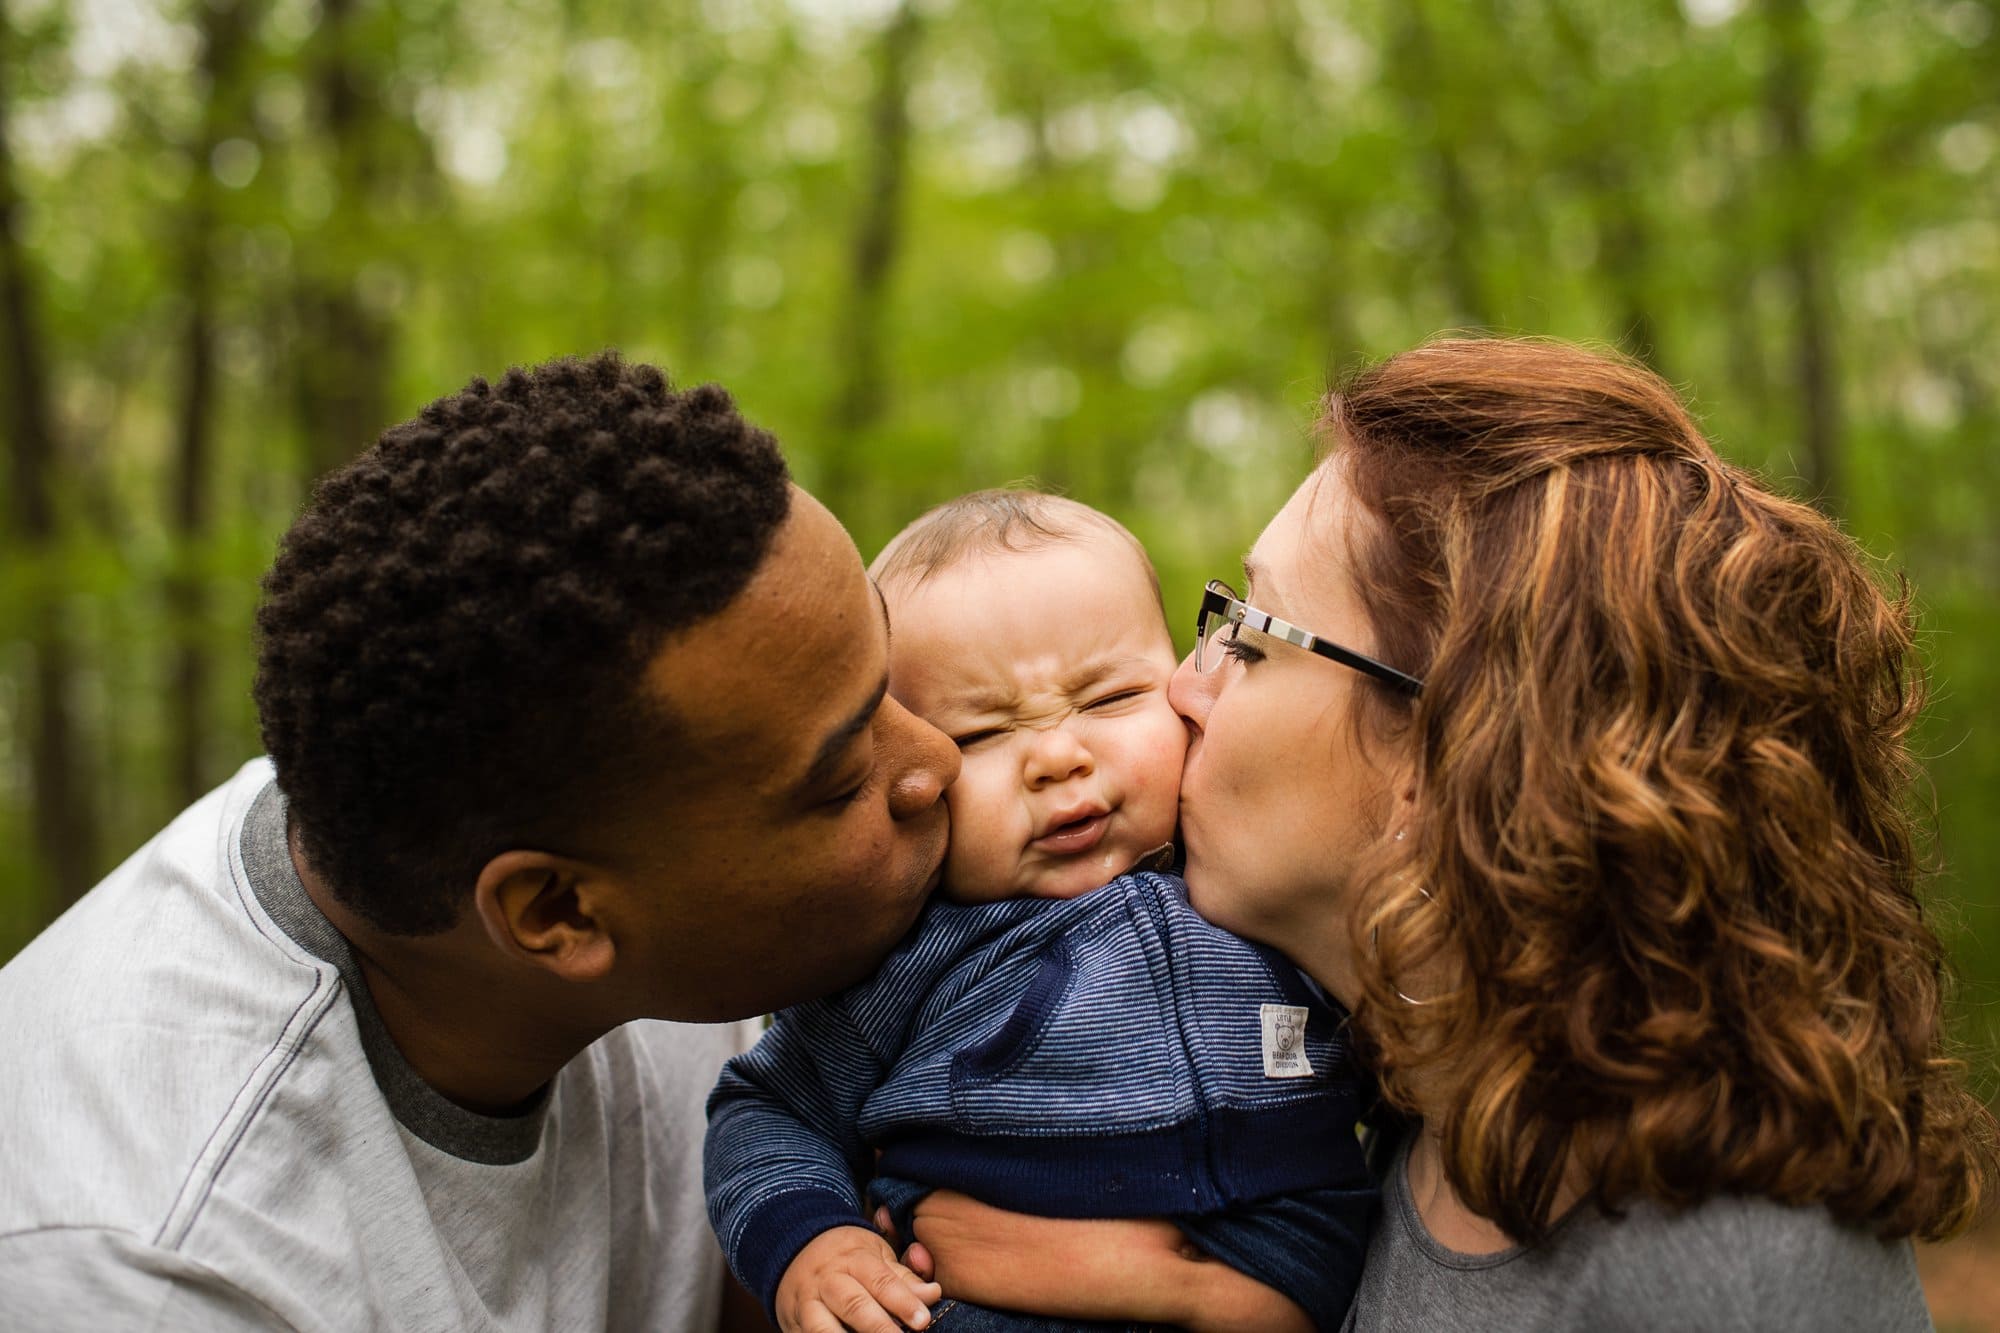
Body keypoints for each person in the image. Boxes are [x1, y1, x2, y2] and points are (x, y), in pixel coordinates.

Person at [884, 338, 1997, 1330]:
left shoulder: (1720, 1260)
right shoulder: (1401, 1095)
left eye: (1252, 639)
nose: (1181, 691)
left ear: (1444, 753)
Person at [0, 353, 964, 1331]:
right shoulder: (159, 1270)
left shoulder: (547, 808)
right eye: (844, 779)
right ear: (558, 912)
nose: (939, 761)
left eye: (890, 684)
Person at [704, 491, 1378, 1333]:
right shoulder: (915, 951)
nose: (1059, 756)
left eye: (1105, 699)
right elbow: (769, 1109)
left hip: (1279, 1274)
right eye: (983, 733)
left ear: (1182, 682)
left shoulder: (1259, 886)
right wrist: (816, 1242)